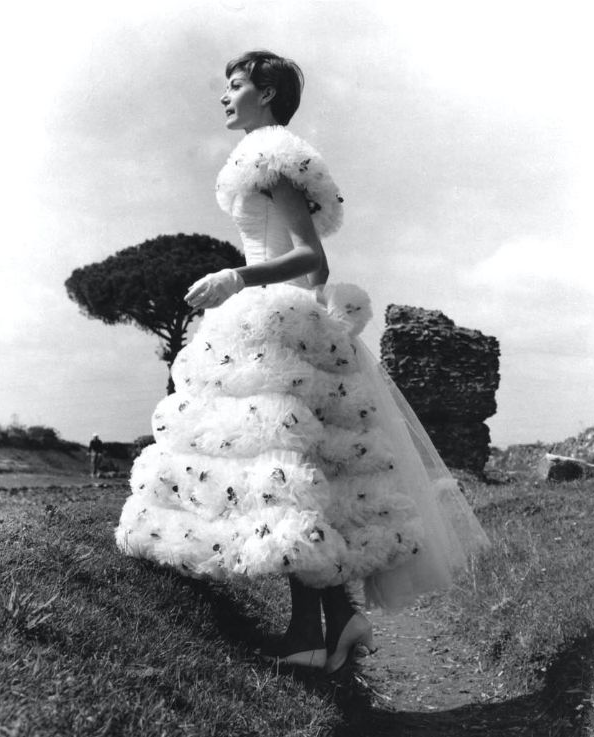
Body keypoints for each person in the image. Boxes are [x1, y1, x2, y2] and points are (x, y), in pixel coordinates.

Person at [116, 50, 490, 673]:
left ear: (265, 93)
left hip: (271, 321)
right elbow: (309, 268)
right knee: (299, 475)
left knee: (281, 475)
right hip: (278, 320)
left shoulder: (270, 158)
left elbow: (313, 258)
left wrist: (237, 278)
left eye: (235, 85)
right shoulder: (268, 155)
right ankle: (337, 620)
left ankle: (306, 636)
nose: (224, 96)